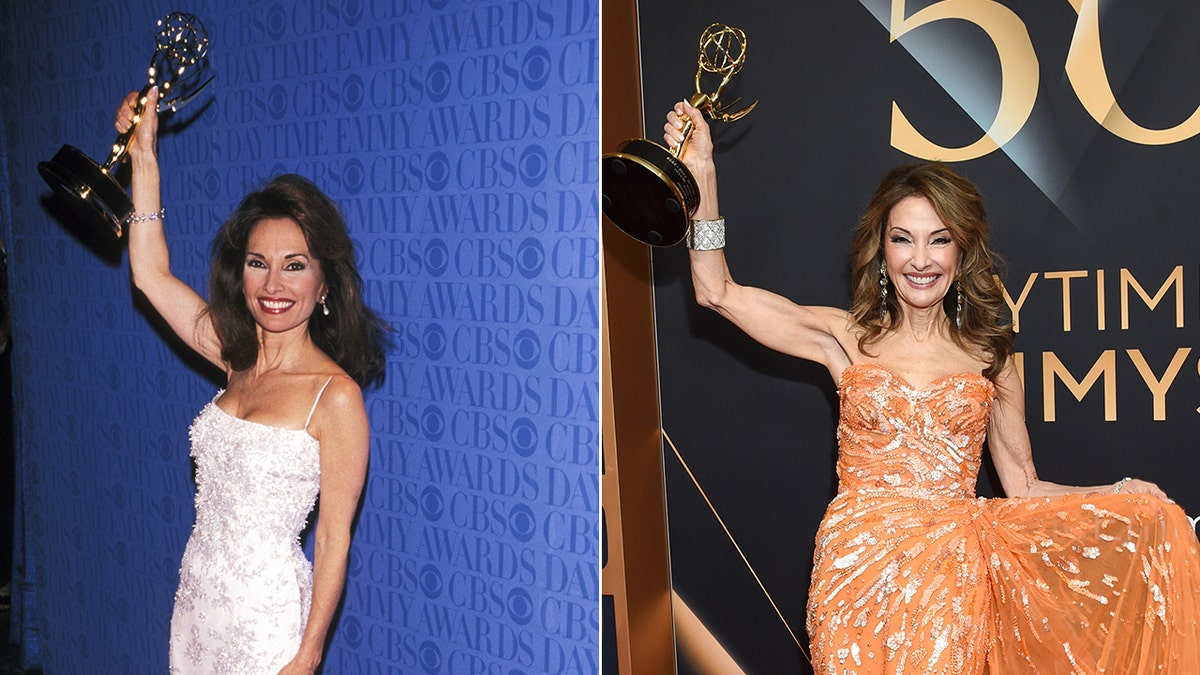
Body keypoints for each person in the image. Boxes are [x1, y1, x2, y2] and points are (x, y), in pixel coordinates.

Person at [664, 99, 1200, 674]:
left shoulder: (991, 356)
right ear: (882, 250)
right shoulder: (844, 336)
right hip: (855, 573)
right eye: (903, 239)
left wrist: (1120, 492)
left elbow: (1022, 486)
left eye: (939, 240)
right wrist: (703, 175)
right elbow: (715, 291)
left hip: (949, 579)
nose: (921, 260)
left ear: (962, 249)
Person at [116, 87, 387, 674]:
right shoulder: (235, 355)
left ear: (323, 285)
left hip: (266, 621)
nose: (274, 284)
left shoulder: (334, 397)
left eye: (295, 265)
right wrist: (144, 154)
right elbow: (149, 273)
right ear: (240, 273)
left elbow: (335, 538)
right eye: (258, 262)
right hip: (198, 602)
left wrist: (308, 653)